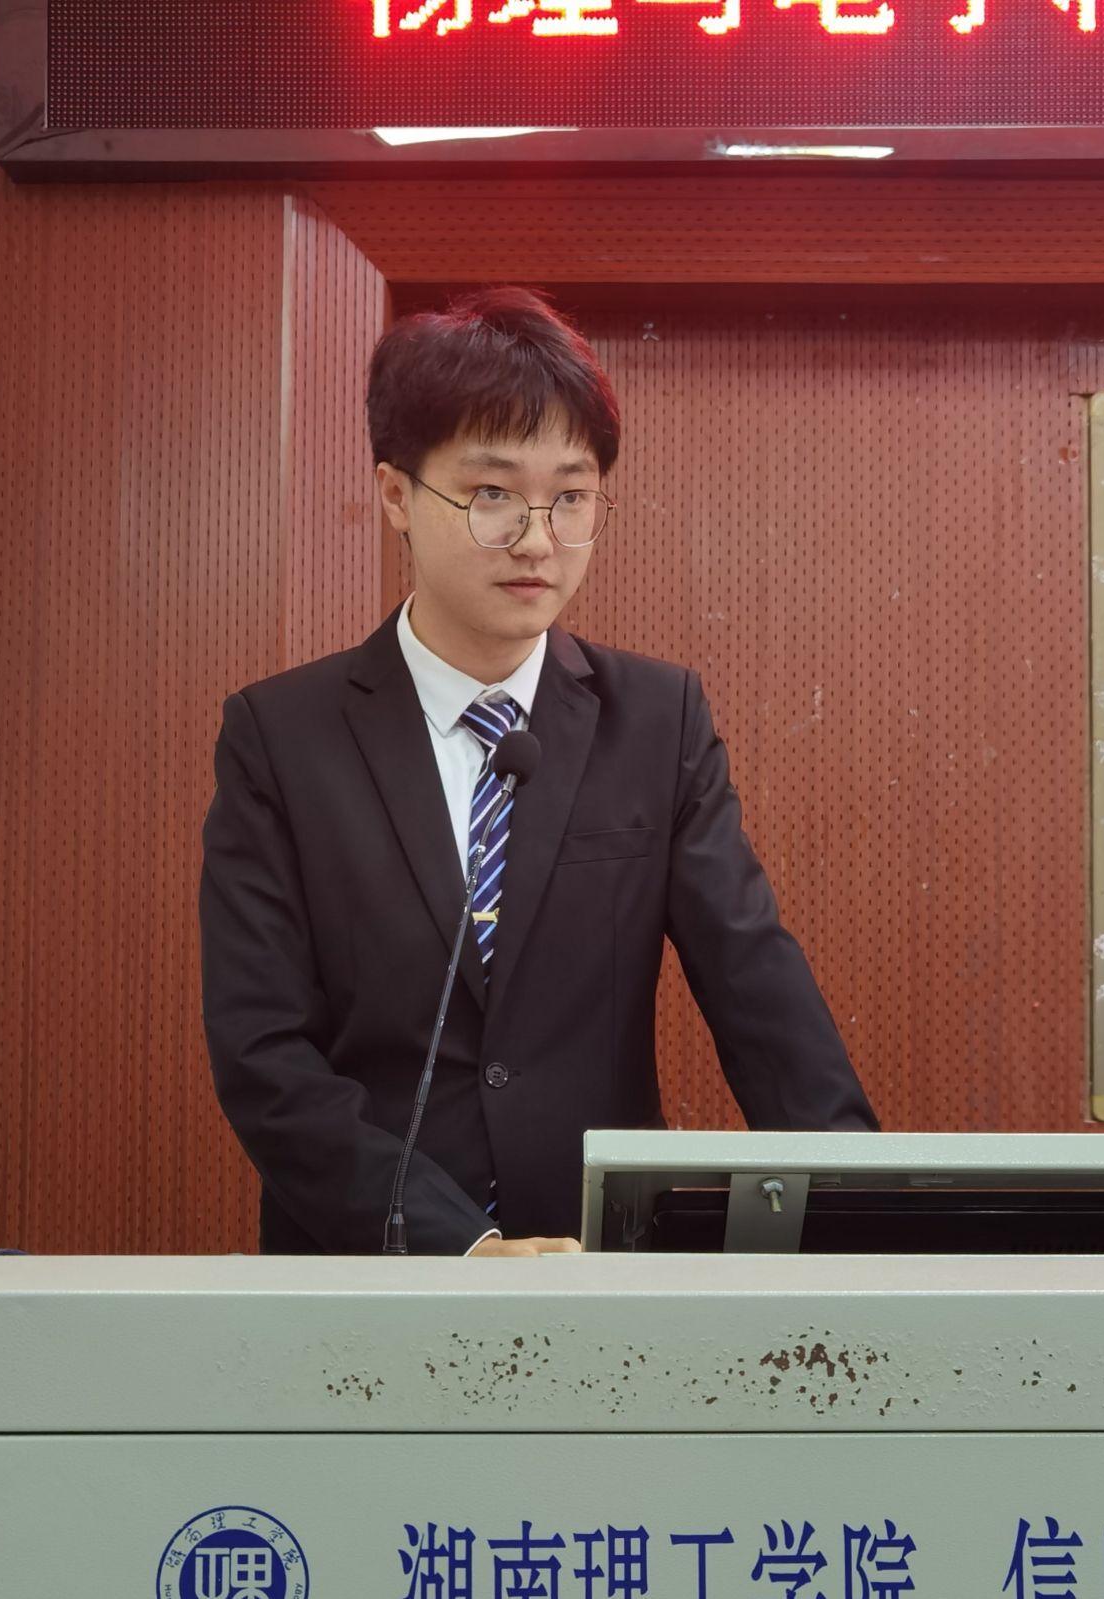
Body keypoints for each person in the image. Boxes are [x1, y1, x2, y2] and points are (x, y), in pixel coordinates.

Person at [200, 286, 877, 1256]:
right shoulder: (282, 737)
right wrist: (458, 1247)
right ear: (395, 494)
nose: (536, 539)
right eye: (491, 495)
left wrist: (866, 1211)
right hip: (371, 1274)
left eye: (570, 497)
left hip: (597, 1267)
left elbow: (756, 984)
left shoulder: (656, 721)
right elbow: (264, 1053)